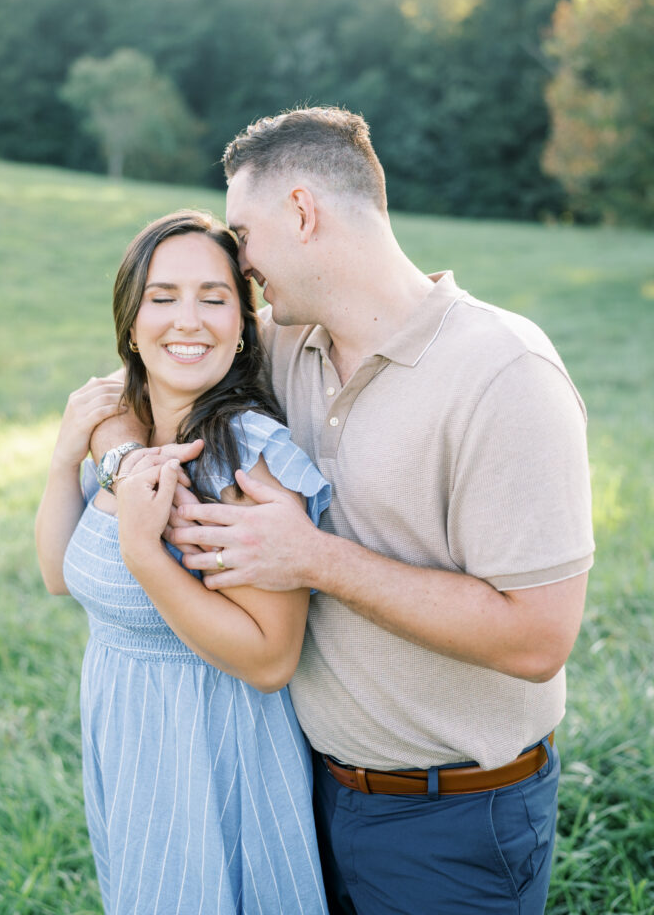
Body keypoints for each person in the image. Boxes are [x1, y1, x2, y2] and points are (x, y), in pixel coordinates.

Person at [154, 108, 594, 915]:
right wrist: (93, 432)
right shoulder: (284, 345)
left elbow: (539, 637)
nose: (241, 262)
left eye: (244, 234)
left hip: (455, 820)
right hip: (304, 791)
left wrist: (312, 557)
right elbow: (165, 351)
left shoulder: (506, 374)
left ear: (301, 211)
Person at [35, 210, 331, 915]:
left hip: (213, 758)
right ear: (130, 322)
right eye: (162, 297)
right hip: (132, 748)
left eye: (214, 297)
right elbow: (57, 574)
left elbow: (270, 660)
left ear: (243, 323)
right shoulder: (132, 437)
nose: (188, 320)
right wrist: (64, 455)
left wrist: (145, 553)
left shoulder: (246, 458)